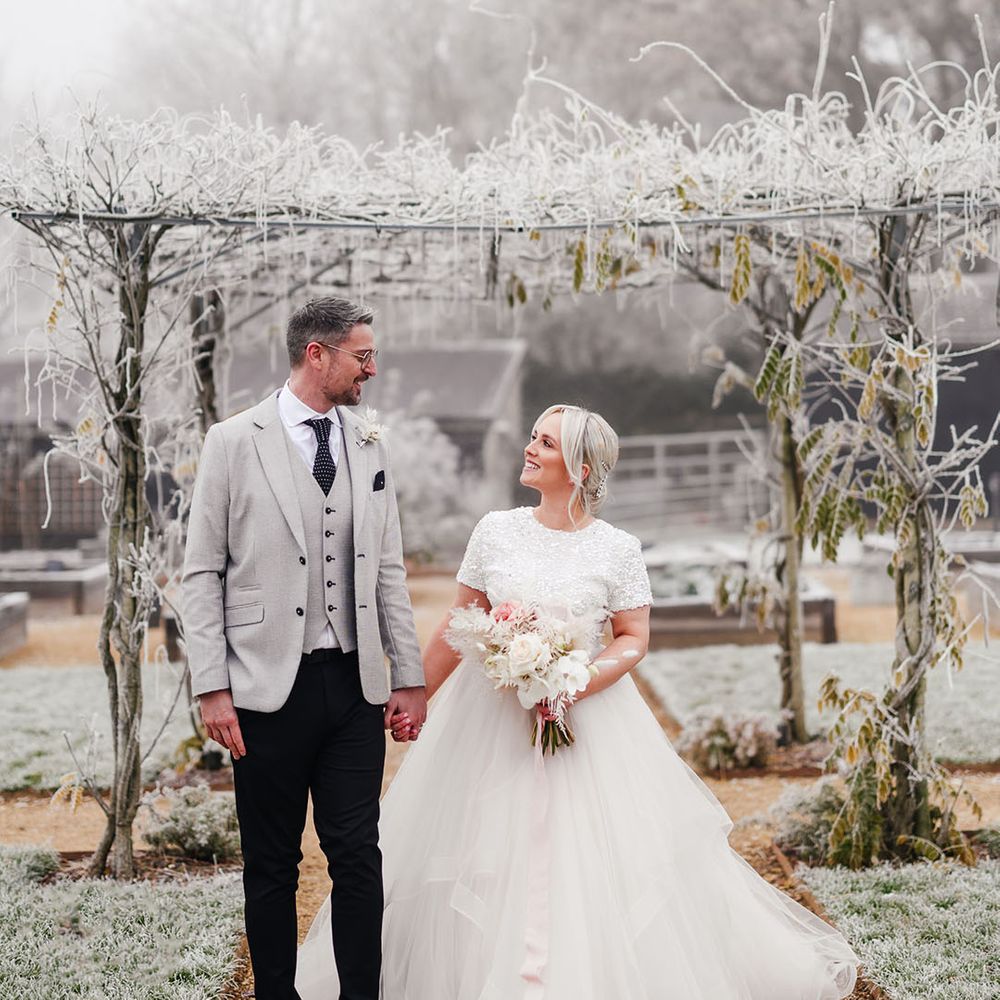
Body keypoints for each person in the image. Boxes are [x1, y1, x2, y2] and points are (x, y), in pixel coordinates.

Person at [297, 403, 859, 1000]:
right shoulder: (495, 530)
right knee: (479, 852)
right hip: (487, 728)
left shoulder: (617, 549)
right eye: (533, 437)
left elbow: (633, 639)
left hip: (585, 726)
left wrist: (571, 683)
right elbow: (461, 623)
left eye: (545, 442)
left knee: (586, 862)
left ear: (582, 467)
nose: (530, 449)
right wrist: (412, 696)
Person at [182, 297, 427, 1000]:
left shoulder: (370, 442)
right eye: (363, 355)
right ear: (316, 354)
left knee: (357, 856)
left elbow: (387, 566)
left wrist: (407, 675)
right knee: (272, 863)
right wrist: (211, 685)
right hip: (262, 689)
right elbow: (202, 570)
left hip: (353, 688)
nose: (373, 369)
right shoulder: (233, 441)